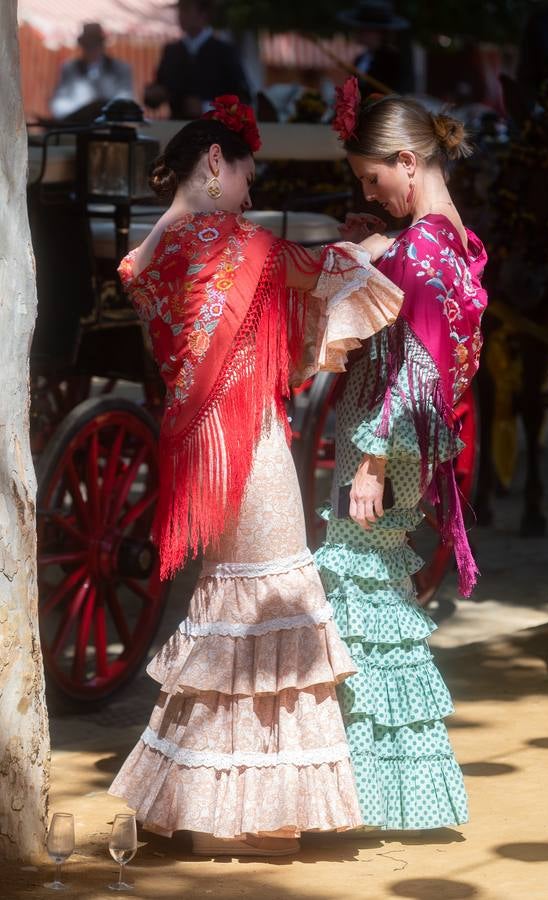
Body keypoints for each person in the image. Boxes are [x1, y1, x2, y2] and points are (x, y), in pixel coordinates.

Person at [109, 95, 404, 855]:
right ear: (215, 162)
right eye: (246, 175)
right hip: (248, 440)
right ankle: (255, 813)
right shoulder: (232, 243)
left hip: (195, 445)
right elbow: (321, 278)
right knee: (273, 596)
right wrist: (375, 250)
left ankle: (206, 802)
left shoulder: (145, 255)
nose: (248, 192)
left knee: (228, 606)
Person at [315, 78, 487, 830]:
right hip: (400, 437)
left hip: (385, 440)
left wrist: (374, 460)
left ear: (406, 160)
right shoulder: (448, 237)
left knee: (368, 605)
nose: (371, 191)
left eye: (372, 177)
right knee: (373, 601)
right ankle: (384, 790)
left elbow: (420, 365)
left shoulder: (423, 246)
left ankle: (378, 791)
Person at [144, 0, 250, 118]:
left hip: (214, 130)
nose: (180, 15)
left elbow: (243, 99)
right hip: (177, 129)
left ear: (203, 14)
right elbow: (159, 92)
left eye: (186, 9)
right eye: (180, 10)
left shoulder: (224, 52)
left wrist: (206, 107)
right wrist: (153, 95)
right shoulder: (171, 51)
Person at [50, 23, 133, 122]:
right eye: (87, 45)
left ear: (102, 45)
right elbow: (59, 103)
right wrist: (83, 111)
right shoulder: (70, 68)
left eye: (94, 44)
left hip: (109, 125)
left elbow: (125, 99)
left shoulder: (120, 68)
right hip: (78, 125)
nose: (91, 49)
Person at [337, 0, 414, 95]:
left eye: (364, 29)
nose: (359, 32)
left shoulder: (392, 60)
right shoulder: (360, 58)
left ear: (378, 33)